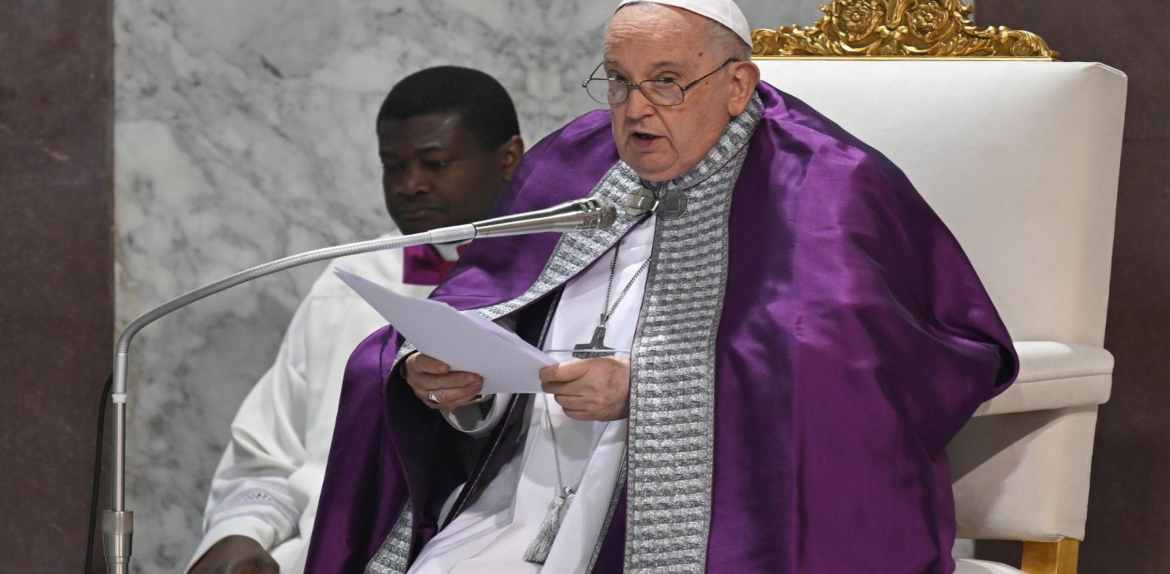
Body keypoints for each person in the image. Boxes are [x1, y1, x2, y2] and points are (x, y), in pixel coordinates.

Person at [307, 1, 1020, 572]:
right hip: (513, 504)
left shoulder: (828, 188)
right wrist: (457, 386)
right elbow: (490, 303)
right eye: (618, 80)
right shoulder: (577, 162)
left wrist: (645, 392)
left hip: (709, 527)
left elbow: (882, 374)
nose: (636, 110)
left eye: (668, 81)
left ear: (738, 86)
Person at [187, 66, 525, 574]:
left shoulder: (557, 285)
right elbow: (270, 455)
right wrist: (240, 533)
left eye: (435, 163)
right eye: (394, 165)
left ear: (508, 159)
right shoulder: (352, 281)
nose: (410, 185)